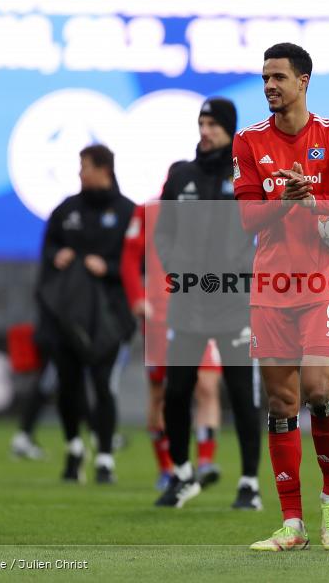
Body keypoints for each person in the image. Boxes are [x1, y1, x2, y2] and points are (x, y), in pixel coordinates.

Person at [233, 43, 329, 551]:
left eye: (278, 77)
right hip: (271, 286)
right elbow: (247, 218)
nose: (269, 86)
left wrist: (316, 200)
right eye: (264, 78)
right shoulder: (248, 141)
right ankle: (292, 524)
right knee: (282, 401)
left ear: (303, 81)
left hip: (323, 284)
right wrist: (284, 200)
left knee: (318, 390)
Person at [154, 98, 263, 510]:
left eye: (214, 124)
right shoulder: (180, 175)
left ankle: (249, 483)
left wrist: (245, 268)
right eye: (202, 122)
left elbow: (268, 229)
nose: (205, 130)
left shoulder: (247, 175)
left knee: (242, 395)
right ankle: (182, 475)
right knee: (176, 392)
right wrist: (174, 265)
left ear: (229, 129)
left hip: (234, 303)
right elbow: (163, 230)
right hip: (188, 303)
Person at [120, 166, 225, 493]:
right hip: (160, 315)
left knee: (207, 385)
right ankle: (166, 468)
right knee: (161, 393)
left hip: (203, 312)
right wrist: (137, 298)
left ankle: (205, 461)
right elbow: (129, 258)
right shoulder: (148, 212)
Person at [37, 144, 135, 484]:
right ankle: (74, 448)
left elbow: (140, 262)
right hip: (68, 315)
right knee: (68, 384)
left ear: (103, 169)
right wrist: (56, 256)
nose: (80, 173)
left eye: (85, 166)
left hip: (110, 315)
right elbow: (47, 248)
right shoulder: (67, 210)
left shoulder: (127, 212)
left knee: (103, 384)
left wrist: (109, 267)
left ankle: (105, 457)